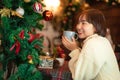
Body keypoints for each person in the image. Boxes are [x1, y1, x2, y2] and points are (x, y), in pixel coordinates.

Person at [62, 9, 120, 80]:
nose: (78, 27)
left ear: (95, 26)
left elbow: (80, 77)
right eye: (78, 23)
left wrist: (74, 50)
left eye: (83, 23)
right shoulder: (99, 40)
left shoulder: (94, 43)